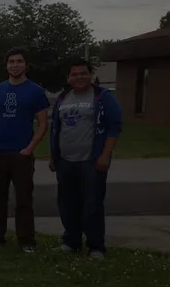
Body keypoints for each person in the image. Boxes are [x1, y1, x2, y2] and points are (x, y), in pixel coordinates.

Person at [49, 59, 122, 259]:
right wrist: (53, 156)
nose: (79, 77)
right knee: (67, 204)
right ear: (68, 78)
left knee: (92, 205)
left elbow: (114, 127)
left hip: (91, 162)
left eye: (83, 73)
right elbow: (56, 129)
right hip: (65, 162)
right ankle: (71, 242)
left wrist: (105, 155)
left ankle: (96, 247)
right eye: (74, 74)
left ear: (91, 75)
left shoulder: (102, 97)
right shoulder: (63, 98)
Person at [0, 47, 50, 253]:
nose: (15, 65)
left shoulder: (36, 91)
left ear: (25, 65)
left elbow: (43, 124)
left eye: (19, 61)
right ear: (6, 65)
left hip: (22, 154)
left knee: (23, 199)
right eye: (11, 61)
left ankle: (26, 240)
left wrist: (29, 149)